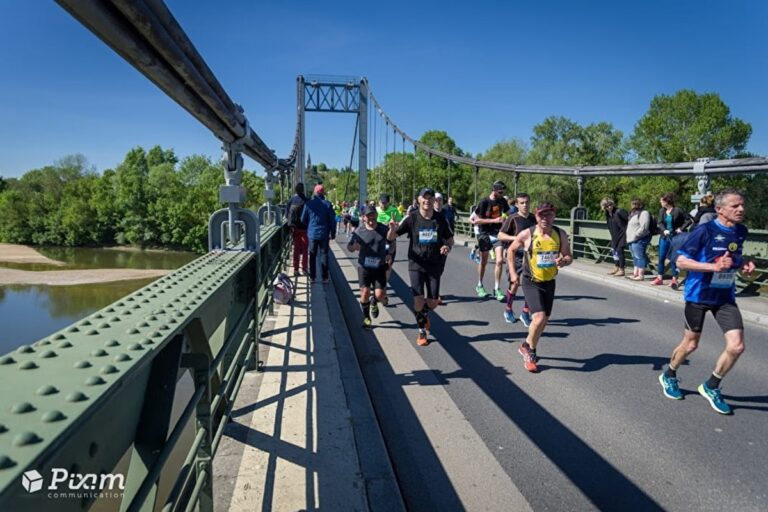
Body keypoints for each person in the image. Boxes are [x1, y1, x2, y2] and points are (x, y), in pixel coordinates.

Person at [658, 189, 755, 415]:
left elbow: (732, 257)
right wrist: (713, 267)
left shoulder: (741, 231)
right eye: (735, 206)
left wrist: (744, 264)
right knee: (691, 344)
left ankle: (711, 385)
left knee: (737, 346)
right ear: (719, 209)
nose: (741, 209)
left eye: (742, 205)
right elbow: (681, 261)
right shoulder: (704, 230)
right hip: (698, 295)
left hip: (724, 296)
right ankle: (669, 374)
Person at [508, 202, 572, 372]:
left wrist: (564, 261)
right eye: (541, 215)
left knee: (544, 321)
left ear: (554, 216)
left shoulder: (560, 234)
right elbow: (511, 250)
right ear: (536, 216)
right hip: (531, 281)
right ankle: (530, 351)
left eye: (548, 214)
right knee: (539, 318)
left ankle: (527, 346)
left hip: (549, 281)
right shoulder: (527, 234)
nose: (545, 218)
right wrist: (513, 274)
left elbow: (568, 256)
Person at [389, 187, 453, 346]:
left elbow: (449, 239)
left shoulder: (441, 219)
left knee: (432, 303)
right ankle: (422, 331)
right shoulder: (412, 218)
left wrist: (447, 246)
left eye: (430, 198)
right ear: (419, 200)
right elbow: (391, 237)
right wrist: (392, 230)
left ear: (434, 200)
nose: (427, 200)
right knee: (418, 300)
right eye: (424, 197)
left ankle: (423, 313)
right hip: (416, 264)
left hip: (434, 265)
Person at [348, 205, 396, 329]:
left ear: (376, 215)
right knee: (365, 293)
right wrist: (354, 247)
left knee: (380, 295)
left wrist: (390, 254)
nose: (371, 218)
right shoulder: (359, 231)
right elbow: (350, 246)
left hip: (379, 267)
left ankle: (374, 301)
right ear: (364, 217)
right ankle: (366, 318)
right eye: (368, 216)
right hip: (364, 267)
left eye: (373, 215)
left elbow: (391, 241)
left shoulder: (383, 229)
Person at [498, 193, 535, 325]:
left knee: (531, 285)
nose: (525, 205)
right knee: (515, 283)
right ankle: (508, 309)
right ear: (517, 205)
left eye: (527, 202)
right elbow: (500, 235)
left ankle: (525, 313)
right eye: (522, 203)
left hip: (530, 256)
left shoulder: (534, 218)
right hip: (515, 255)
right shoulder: (513, 218)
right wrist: (517, 239)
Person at [474, 181, 510, 301]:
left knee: (499, 261)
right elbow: (476, 220)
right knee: (483, 262)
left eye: (503, 192)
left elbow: (508, 214)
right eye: (500, 192)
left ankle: (497, 288)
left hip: (497, 233)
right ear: (494, 190)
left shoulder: (502, 201)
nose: (502, 194)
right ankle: (480, 285)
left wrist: (506, 219)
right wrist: (493, 221)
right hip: (484, 234)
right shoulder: (484, 202)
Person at [651, 192, 692, 289]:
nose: (660, 202)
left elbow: (689, 220)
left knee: (674, 258)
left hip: (675, 237)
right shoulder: (662, 211)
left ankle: (674, 278)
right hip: (665, 237)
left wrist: (681, 228)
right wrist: (664, 230)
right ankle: (659, 277)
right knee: (661, 257)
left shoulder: (678, 210)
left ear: (667, 201)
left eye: (662, 201)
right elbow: (660, 222)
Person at [300, 184, 337, 283]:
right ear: (323, 193)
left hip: (312, 234)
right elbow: (332, 220)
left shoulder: (308, 204)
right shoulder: (328, 204)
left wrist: (310, 226)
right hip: (324, 234)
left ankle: (313, 277)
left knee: (312, 255)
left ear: (315, 193)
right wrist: (333, 232)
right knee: (324, 255)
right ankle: (325, 277)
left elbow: (302, 219)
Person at [376, 193, 403, 303]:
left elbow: (400, 224)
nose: (383, 205)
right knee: (376, 266)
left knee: (388, 265)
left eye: (385, 203)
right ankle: (378, 288)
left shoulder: (394, 210)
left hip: (389, 241)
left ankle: (384, 290)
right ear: (379, 202)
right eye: (381, 203)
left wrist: (394, 224)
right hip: (377, 242)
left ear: (388, 202)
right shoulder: (375, 210)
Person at [625, 198, 652, 281]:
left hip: (639, 239)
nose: (633, 205)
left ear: (640, 205)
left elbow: (644, 227)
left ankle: (641, 275)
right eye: (633, 203)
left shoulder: (644, 213)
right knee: (635, 257)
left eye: (636, 203)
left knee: (639, 256)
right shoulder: (632, 214)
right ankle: (635, 274)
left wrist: (636, 235)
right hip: (631, 239)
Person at [600, 198, 629, 277]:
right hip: (614, 235)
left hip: (623, 234)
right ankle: (616, 267)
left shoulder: (619, 211)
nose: (609, 207)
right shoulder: (607, 214)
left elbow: (629, 220)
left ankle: (622, 269)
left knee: (619, 250)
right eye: (607, 206)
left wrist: (627, 231)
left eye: (610, 205)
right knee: (614, 250)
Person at [286, 182, 308, 276]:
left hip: (295, 229)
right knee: (305, 249)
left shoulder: (291, 200)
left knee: (296, 249)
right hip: (305, 229)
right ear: (303, 190)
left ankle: (296, 269)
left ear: (295, 190)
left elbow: (287, 215)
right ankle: (304, 269)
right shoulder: (306, 200)